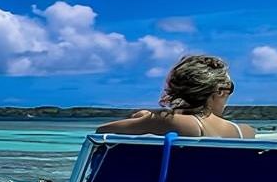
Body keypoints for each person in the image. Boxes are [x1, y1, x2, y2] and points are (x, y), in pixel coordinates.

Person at [96, 54, 255, 139]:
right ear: (219, 91)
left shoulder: (170, 121)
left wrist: (145, 118)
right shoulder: (246, 132)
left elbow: (102, 131)